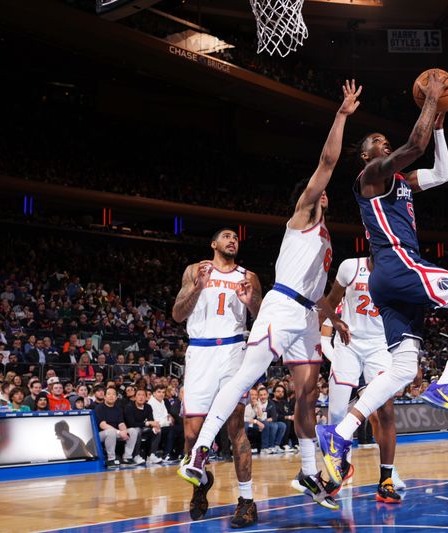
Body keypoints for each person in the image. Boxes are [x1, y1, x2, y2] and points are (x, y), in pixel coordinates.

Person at [179, 80, 360, 515]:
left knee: (307, 395)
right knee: (247, 377)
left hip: (307, 315)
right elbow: (328, 160)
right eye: (319, 190)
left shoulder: (327, 238)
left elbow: (319, 294)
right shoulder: (302, 216)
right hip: (282, 305)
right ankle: (201, 450)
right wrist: (341, 115)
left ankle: (308, 471)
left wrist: (331, 317)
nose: (324, 193)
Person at [316, 73, 448, 485]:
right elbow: (414, 146)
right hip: (400, 265)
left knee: (400, 370)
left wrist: (440, 127)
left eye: (384, 141)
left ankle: (339, 436)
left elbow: (444, 171)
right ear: (366, 157)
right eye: (376, 142)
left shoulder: (403, 183)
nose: (383, 144)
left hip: (389, 280)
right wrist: (430, 101)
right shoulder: (371, 178)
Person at [171, 226, 262, 528]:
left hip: (233, 351)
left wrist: (251, 302)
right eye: (226, 236)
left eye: (235, 237)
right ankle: (201, 483)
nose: (232, 240)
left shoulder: (248, 276)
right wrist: (197, 287)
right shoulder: (194, 271)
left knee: (235, 429)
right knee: (191, 434)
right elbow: (177, 314)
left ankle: (247, 501)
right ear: (213, 243)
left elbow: (261, 317)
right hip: (199, 353)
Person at [319, 255, 406, 503]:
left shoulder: (397, 272)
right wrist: (332, 324)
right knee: (336, 414)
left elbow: (403, 316)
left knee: (386, 412)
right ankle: (339, 471)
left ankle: (387, 479)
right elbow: (330, 302)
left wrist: (410, 354)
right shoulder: (350, 267)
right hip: (348, 345)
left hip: (379, 347)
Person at [94, 387, 140, 467]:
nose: (111, 396)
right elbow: (103, 425)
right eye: (109, 394)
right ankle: (111, 459)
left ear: (116, 397)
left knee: (133, 431)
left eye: (113, 394)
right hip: (101, 434)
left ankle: (127, 457)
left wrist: (125, 432)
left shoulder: (118, 408)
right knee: (111, 432)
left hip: (115, 432)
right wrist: (119, 432)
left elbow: (121, 423)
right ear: (104, 397)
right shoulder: (99, 408)